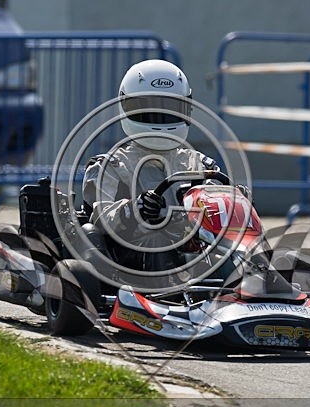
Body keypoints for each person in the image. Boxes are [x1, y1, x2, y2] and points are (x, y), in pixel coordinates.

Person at [80, 59, 219, 271]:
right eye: (150, 109)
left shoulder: (199, 164)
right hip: (135, 261)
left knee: (240, 244)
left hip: (194, 252)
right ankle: (171, 289)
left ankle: (261, 282)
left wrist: (236, 201)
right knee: (158, 241)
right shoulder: (111, 166)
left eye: (171, 109)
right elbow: (100, 218)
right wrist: (133, 209)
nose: (161, 117)